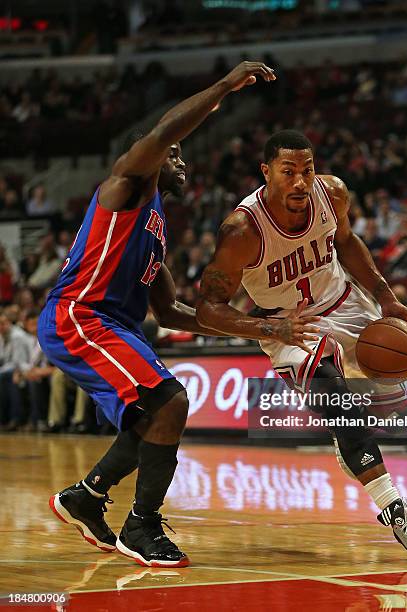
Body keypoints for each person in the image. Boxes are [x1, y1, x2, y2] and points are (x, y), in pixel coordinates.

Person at [38, 61, 276, 568]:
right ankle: (140, 526)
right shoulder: (126, 184)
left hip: (113, 324)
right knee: (170, 401)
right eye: (175, 155)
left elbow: (170, 311)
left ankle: (86, 497)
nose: (182, 160)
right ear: (153, 155)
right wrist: (223, 87)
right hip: (80, 314)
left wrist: (255, 328)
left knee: (153, 415)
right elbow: (167, 128)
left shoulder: (155, 225)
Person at [197, 129, 407, 560]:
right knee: (339, 402)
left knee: (387, 400)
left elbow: (346, 242)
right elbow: (208, 310)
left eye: (306, 170)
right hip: (288, 324)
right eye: (287, 171)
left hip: (344, 302)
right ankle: (399, 514)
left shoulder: (333, 195)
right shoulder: (242, 231)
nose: (299, 182)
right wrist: (271, 332)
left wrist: (386, 296)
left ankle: (349, 438)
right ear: (266, 172)